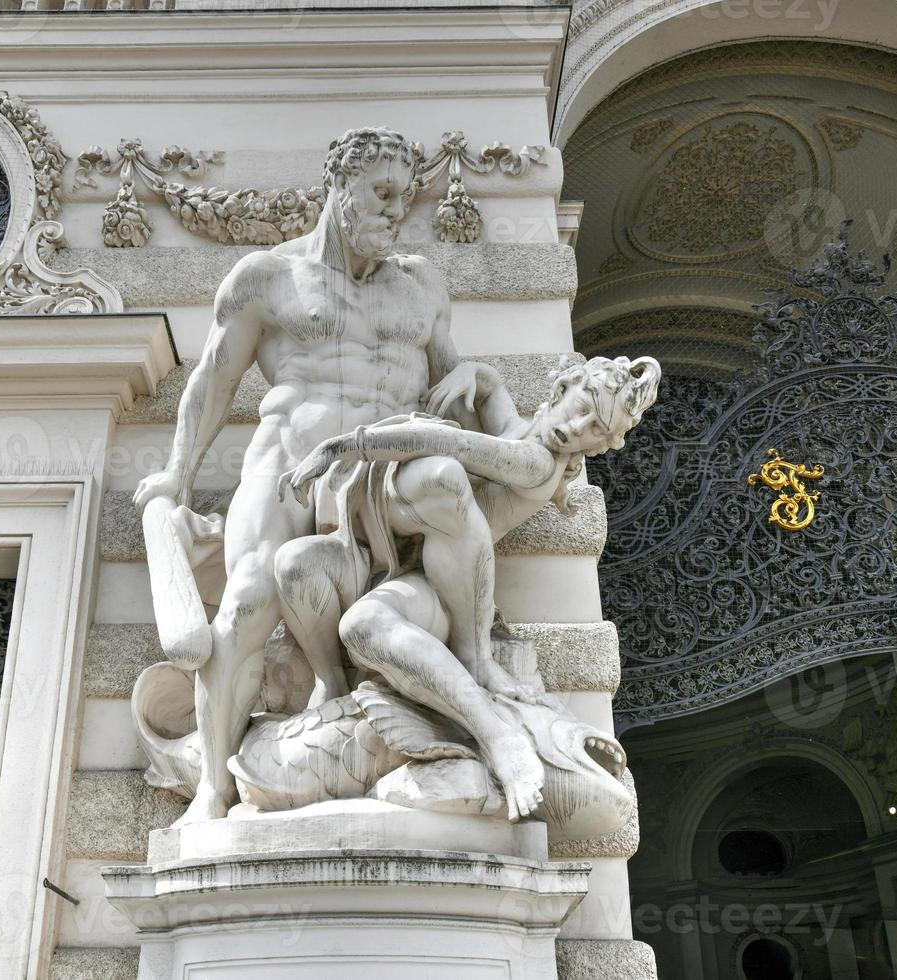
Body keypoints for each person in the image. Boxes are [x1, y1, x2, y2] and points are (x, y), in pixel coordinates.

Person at [132, 127, 496, 825]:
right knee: (241, 607)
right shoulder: (268, 278)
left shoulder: (421, 285)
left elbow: (455, 377)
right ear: (340, 190)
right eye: (382, 195)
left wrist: (479, 373)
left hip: (380, 477)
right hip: (284, 461)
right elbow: (212, 382)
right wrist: (177, 474)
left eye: (405, 199)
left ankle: (434, 705)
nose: (396, 212)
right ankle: (215, 785)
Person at [275, 355, 661, 820]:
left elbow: (446, 441)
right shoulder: (515, 428)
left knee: (436, 487)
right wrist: (471, 375)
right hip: (388, 558)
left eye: (596, 428)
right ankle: (330, 683)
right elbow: (491, 386)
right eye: (581, 406)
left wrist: (342, 447)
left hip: (445, 591)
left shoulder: (537, 464)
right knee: (292, 566)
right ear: (563, 388)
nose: (577, 427)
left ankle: (496, 732)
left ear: (603, 444)